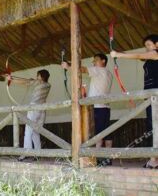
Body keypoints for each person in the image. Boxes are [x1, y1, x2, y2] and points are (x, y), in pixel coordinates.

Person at [111, 34, 158, 168]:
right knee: (152, 127)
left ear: (157, 45)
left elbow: (137, 56)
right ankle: (154, 159)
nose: (147, 48)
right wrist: (118, 53)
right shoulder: (150, 57)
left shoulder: (155, 54)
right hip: (151, 97)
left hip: (155, 96)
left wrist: (118, 56)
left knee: (154, 127)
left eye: (149, 45)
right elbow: (137, 56)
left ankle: (154, 159)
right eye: (145, 46)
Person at [62, 53, 113, 165]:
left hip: (98, 107)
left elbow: (83, 69)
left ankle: (98, 159)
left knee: (98, 134)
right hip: (106, 107)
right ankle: (108, 159)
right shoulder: (109, 73)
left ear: (103, 61)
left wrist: (68, 66)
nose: (93, 62)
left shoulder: (98, 70)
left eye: (96, 60)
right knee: (107, 133)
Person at [9, 70, 51, 162]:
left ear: (40, 76)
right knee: (35, 132)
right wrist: (32, 80)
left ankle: (26, 153)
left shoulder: (37, 82)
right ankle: (38, 154)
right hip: (42, 110)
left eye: (38, 75)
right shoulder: (48, 85)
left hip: (33, 109)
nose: (36, 76)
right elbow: (29, 81)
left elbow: (25, 82)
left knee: (28, 132)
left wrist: (11, 79)